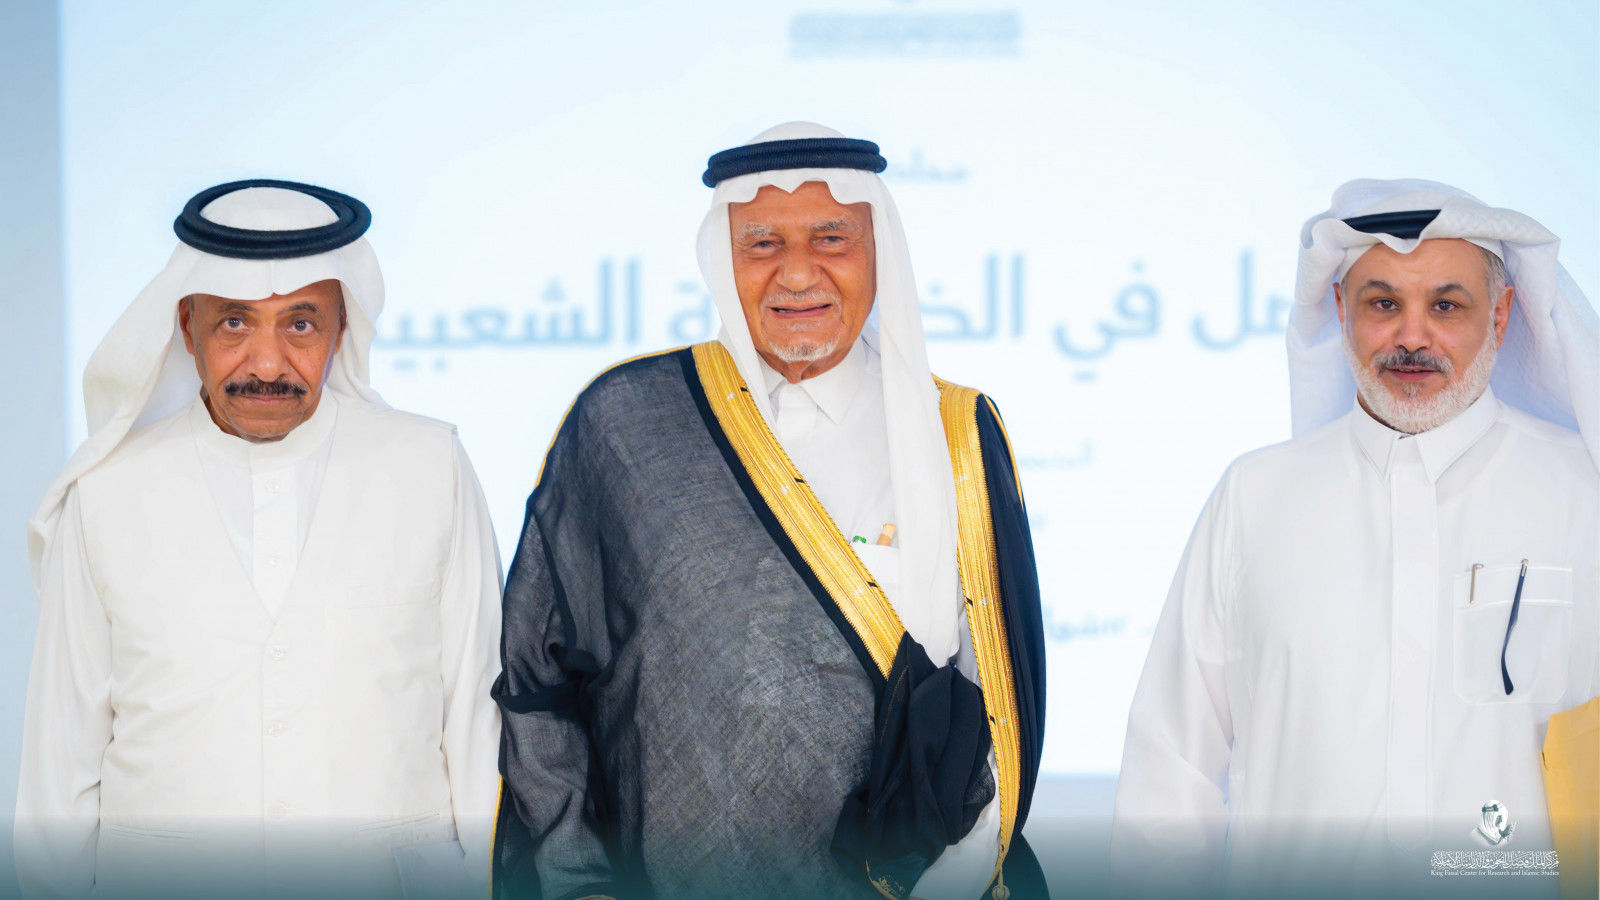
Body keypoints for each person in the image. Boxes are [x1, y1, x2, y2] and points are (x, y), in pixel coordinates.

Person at [490, 123, 1048, 900]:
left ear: (879, 252)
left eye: (831, 238)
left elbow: (989, 712)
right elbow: (540, 688)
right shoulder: (627, 426)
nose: (797, 273)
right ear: (722, 260)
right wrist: (578, 883)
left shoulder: (951, 434)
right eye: (762, 244)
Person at [16, 180, 503, 900]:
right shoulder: (105, 495)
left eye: (300, 324)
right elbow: (60, 768)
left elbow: (477, 728)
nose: (268, 365)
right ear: (187, 327)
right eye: (235, 323)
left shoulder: (432, 468)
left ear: (341, 328)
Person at [1111, 179, 1599, 897]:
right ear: (1341, 311)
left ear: (1499, 317)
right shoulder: (1255, 497)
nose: (1412, 337)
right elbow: (1170, 768)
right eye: (1383, 304)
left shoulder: (1581, 494)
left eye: (1446, 305)